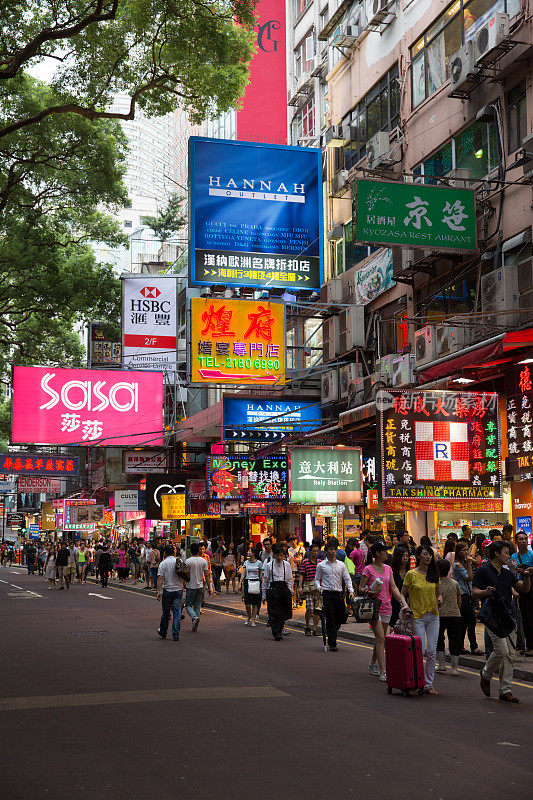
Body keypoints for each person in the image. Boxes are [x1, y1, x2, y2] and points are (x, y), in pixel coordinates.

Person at [473, 540, 533, 703]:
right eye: (506, 553)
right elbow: (474, 592)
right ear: (497, 553)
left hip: (509, 616)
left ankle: (505, 690)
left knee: (510, 655)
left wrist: (527, 576)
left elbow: (524, 588)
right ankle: (485, 674)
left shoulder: (508, 573)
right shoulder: (483, 570)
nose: (509, 556)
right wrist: (485, 592)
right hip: (492, 616)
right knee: (501, 650)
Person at [359, 541, 407, 681]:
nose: (387, 553)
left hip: (387, 606)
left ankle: (372, 663)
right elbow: (360, 588)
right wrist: (369, 590)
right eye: (385, 551)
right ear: (378, 553)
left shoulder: (388, 569)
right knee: (381, 637)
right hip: (374, 607)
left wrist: (403, 602)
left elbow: (394, 588)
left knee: (380, 638)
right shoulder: (368, 569)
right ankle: (382, 670)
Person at [401, 545, 441, 695]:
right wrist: (405, 605)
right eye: (425, 554)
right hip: (417, 616)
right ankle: (416, 680)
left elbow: (438, 593)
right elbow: (402, 593)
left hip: (433, 615)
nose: (428, 557)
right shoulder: (411, 574)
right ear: (418, 556)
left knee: (431, 651)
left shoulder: (434, 574)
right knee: (420, 651)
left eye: (430, 555)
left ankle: (428, 684)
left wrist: (440, 599)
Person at [315, 538, 354, 652]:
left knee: (341, 617)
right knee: (331, 618)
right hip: (327, 594)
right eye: (330, 549)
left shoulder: (341, 565)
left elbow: (347, 578)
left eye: (334, 549)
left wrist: (351, 590)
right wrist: (319, 587)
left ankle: (331, 631)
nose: (333, 551)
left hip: (339, 594)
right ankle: (332, 642)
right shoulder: (321, 565)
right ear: (326, 551)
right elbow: (317, 579)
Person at [452, 540, 482, 654]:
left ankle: (460, 646)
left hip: (468, 594)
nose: (466, 552)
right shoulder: (458, 564)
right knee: (470, 621)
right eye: (464, 550)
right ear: (458, 552)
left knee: (465, 622)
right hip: (462, 595)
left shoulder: (464, 562)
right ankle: (473, 646)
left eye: (467, 549)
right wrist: (469, 564)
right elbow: (469, 577)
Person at [435, 559, 462, 676]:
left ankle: (441, 665)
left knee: (439, 639)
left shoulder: (435, 584)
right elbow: (459, 600)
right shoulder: (455, 583)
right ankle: (454, 668)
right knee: (454, 640)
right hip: (455, 615)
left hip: (439, 615)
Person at [262, 544, 293, 641]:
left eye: (281, 555)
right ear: (274, 555)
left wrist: (290, 591)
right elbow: (266, 580)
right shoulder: (269, 565)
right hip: (273, 589)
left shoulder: (286, 565)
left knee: (283, 611)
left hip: (283, 589)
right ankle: (276, 632)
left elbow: (289, 579)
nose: (280, 557)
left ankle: (280, 629)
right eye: (278, 555)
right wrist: (264, 594)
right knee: (273, 611)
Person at [510, 531, 533, 655]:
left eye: (525, 539)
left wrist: (529, 570)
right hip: (519, 589)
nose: (524, 541)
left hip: (531, 589)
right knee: (522, 618)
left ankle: (530, 646)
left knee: (530, 617)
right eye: (521, 539)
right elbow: (511, 573)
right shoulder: (513, 556)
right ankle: (521, 645)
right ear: (516, 542)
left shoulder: (532, 554)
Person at [156, 544, 185, 641]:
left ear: (165, 553)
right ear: (174, 551)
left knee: (166, 612)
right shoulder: (179, 561)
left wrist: (158, 591)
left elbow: (160, 578)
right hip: (178, 590)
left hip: (167, 590)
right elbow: (184, 575)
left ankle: (163, 631)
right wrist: (184, 585)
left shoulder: (163, 563)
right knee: (177, 612)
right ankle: (175, 633)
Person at [185, 541, 209, 632]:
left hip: (191, 586)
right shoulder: (203, 561)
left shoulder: (188, 561)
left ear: (191, 551)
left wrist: (184, 584)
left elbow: (185, 574)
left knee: (188, 605)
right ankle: (195, 623)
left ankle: (194, 617)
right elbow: (207, 575)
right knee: (197, 606)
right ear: (199, 550)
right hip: (200, 586)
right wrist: (209, 587)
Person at [298, 542, 322, 636]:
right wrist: (300, 587)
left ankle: (315, 628)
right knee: (310, 608)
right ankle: (307, 625)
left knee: (317, 609)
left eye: (317, 551)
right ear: (310, 552)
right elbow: (301, 575)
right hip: (308, 588)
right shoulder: (305, 562)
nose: (315, 553)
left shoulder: (320, 562)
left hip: (318, 589)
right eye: (314, 551)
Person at [390, 545, 410, 629]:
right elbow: (393, 587)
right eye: (403, 556)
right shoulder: (393, 572)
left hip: (408, 603)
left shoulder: (410, 572)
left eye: (407, 556)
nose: (405, 558)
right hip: (394, 603)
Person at [242, 547, 263, 626]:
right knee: (247, 603)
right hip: (248, 582)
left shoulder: (259, 563)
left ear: (253, 553)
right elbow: (243, 573)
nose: (247, 552)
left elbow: (261, 574)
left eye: (249, 551)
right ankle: (249, 616)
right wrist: (241, 583)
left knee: (255, 603)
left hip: (256, 583)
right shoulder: (246, 562)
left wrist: (262, 584)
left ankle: (253, 620)